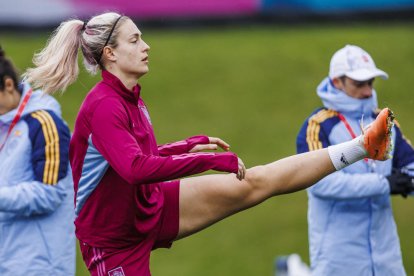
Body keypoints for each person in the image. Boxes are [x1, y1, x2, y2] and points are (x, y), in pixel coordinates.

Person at [24, 13, 394, 276]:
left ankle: (364, 146)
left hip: (147, 206)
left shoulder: (130, 97)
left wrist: (188, 145)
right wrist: (206, 162)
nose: (146, 46)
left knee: (255, 183)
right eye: (135, 40)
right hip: (112, 241)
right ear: (110, 54)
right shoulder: (104, 105)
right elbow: (135, 169)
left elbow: (140, 158)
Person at [297, 45, 414, 276]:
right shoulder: (318, 125)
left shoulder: (384, 123)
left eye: (370, 83)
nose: (367, 91)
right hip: (337, 259)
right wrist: (385, 184)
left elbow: (410, 166)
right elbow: (319, 184)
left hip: (386, 258)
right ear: (337, 82)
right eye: (359, 84)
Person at [0, 46, 75, 275]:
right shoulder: (4, 123)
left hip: (39, 266)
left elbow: (49, 193)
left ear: (8, 85)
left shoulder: (44, 122)